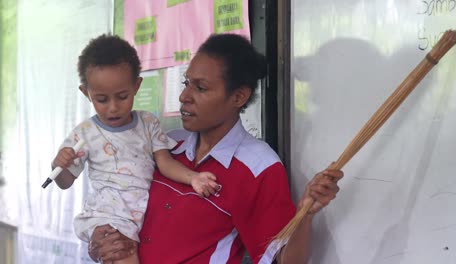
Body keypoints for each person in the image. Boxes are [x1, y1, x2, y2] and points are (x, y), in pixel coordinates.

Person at [88, 33, 343, 264]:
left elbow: (283, 261)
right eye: (186, 83)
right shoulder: (165, 146)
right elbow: (116, 202)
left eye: (200, 88)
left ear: (238, 97)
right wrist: (100, 241)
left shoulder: (257, 167)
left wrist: (305, 215)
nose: (184, 96)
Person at [51, 34, 220, 264]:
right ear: (85, 93)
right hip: (106, 217)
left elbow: (165, 163)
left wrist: (193, 178)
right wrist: (59, 166)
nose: (113, 108)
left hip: (136, 219)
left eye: (122, 96)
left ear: (136, 86)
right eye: (101, 99)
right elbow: (64, 182)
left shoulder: (148, 123)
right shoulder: (84, 134)